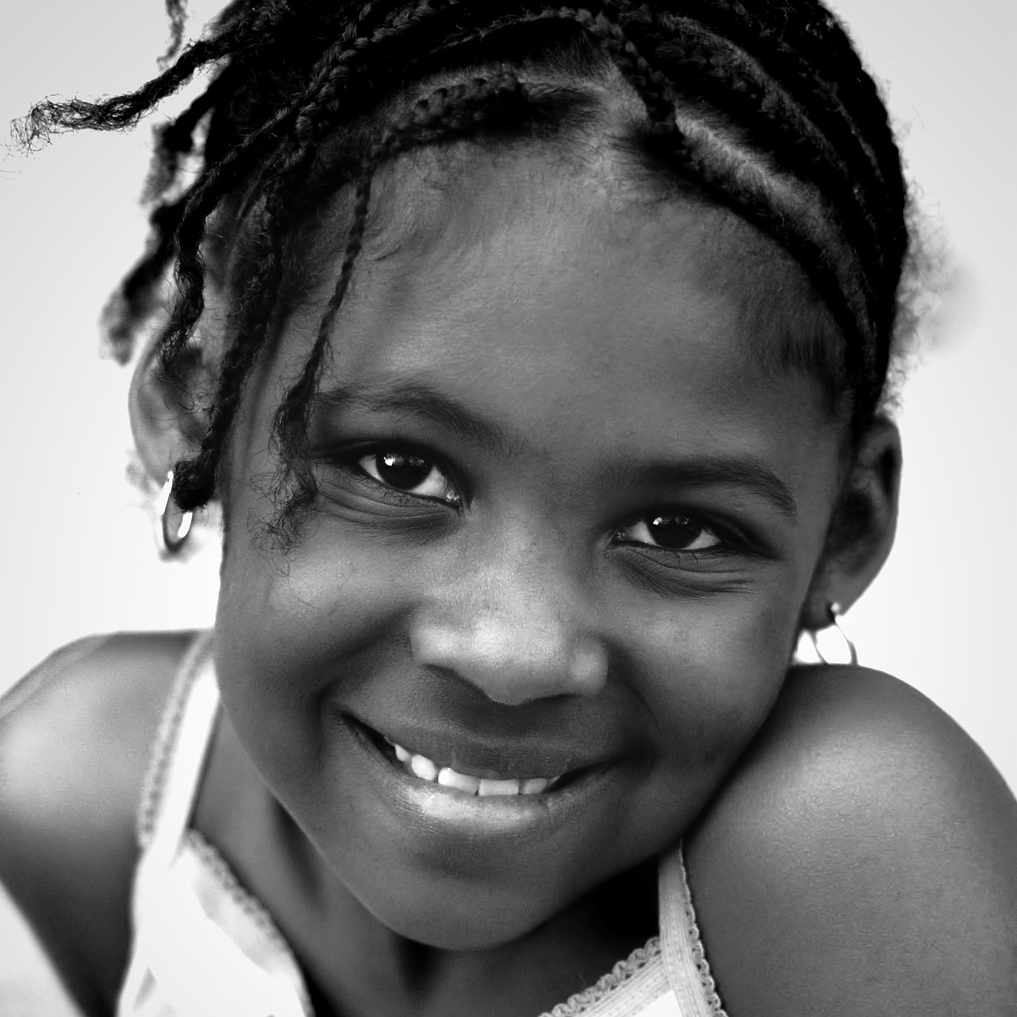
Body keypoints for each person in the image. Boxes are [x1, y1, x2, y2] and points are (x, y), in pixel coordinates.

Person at [1, 1, 1014, 1014]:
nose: (512, 652)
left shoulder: (848, 837)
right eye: (400, 470)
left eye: (676, 532)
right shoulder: (87, 799)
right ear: (198, 402)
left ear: (845, 528)